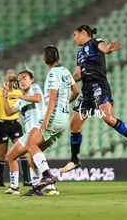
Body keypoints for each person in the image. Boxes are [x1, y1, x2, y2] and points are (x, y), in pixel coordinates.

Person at [60, 25, 127, 173]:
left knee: (108, 118)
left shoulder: (95, 42)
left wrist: (108, 49)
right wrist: (67, 80)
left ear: (83, 33)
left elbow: (104, 48)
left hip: (98, 85)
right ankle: (74, 160)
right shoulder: (79, 53)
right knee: (74, 126)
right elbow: (78, 75)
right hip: (86, 90)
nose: (74, 38)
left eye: (75, 34)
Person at [23, 45, 79, 196]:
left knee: (30, 144)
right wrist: (66, 102)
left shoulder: (52, 74)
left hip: (53, 117)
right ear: (59, 57)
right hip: (64, 119)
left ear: (44, 59)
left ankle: (47, 176)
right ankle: (44, 189)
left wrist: (46, 120)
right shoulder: (66, 71)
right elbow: (76, 92)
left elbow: (53, 98)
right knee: (34, 151)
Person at [1, 70, 58, 195]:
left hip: (37, 129)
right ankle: (43, 188)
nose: (22, 81)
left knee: (14, 156)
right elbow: (9, 112)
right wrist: (5, 97)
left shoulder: (34, 88)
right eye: (20, 79)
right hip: (30, 133)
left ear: (31, 80)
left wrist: (18, 96)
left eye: (25, 78)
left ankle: (20, 187)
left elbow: (37, 99)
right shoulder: (22, 99)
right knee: (28, 159)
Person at [0, 70, 31, 187]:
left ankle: (26, 179)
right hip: (1, 125)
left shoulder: (18, 93)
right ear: (4, 80)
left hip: (15, 124)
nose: (11, 82)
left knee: (22, 152)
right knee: (3, 155)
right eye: (9, 79)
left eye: (13, 79)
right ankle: (0, 181)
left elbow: (22, 110)